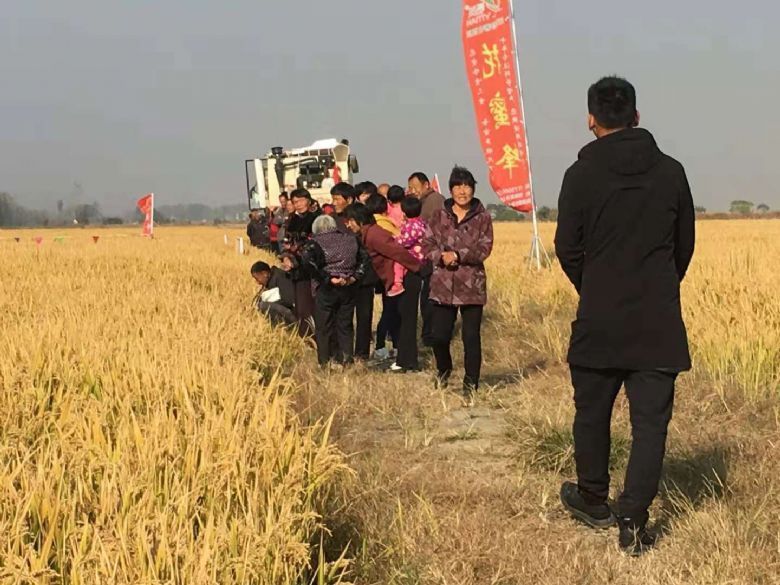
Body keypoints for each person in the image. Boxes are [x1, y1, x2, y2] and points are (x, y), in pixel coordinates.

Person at [554, 76, 695, 556]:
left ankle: (594, 500)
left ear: (590, 119)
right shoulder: (672, 172)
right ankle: (633, 518)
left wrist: (594, 287)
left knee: (592, 413)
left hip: (599, 318)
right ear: (636, 116)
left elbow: (567, 247)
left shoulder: (579, 175)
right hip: (658, 321)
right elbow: (684, 246)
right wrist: (658, 288)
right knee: (650, 425)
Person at [422, 166, 493, 405]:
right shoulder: (438, 216)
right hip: (443, 284)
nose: (463, 191)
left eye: (467, 186)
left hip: (471, 285)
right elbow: (427, 243)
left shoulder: (483, 217)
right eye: (458, 187)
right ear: (451, 190)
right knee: (439, 336)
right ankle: (444, 369)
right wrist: (441, 256)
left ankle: (471, 383)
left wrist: (459, 255)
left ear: (473, 189)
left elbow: (485, 248)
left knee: (471, 337)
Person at [344, 203, 428, 361]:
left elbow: (397, 251)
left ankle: (407, 361)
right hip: (397, 277)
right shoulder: (367, 234)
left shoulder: (374, 235)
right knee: (399, 317)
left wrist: (418, 268)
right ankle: (404, 358)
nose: (348, 225)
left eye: (350, 221)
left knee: (405, 320)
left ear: (359, 220)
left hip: (406, 276)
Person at [302, 215, 369, 367]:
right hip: (348, 286)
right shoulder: (351, 239)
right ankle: (346, 359)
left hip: (326, 288)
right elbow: (364, 259)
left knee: (324, 326)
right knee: (345, 324)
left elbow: (308, 262)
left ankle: (325, 361)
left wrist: (328, 278)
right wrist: (354, 277)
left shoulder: (314, 243)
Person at [331, 182, 377, 360]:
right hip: (343, 276)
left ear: (349, 199)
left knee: (364, 316)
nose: (334, 203)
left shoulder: (361, 214)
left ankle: (362, 353)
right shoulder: (333, 220)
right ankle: (344, 353)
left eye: (337, 199)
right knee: (344, 317)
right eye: (333, 199)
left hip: (364, 276)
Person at [391, 196, 429, 373]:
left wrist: (393, 239)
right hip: (416, 270)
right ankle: (407, 358)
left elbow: (403, 241)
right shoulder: (422, 223)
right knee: (407, 317)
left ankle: (407, 359)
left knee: (406, 317)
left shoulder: (412, 226)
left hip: (411, 271)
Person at [408, 171, 445, 346]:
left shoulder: (435, 200)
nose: (412, 191)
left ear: (426, 185)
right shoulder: (422, 201)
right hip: (427, 256)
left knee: (429, 297)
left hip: (434, 256)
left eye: (415, 187)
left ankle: (430, 335)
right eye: (410, 188)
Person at [365, 194, 402, 357]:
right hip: (390, 274)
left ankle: (392, 344)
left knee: (390, 310)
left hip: (379, 274)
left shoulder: (371, 225)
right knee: (391, 311)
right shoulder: (384, 225)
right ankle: (382, 344)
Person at [285, 189, 321, 336]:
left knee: (311, 304)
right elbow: (287, 242)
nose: (298, 204)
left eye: (300, 201)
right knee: (300, 306)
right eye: (295, 202)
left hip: (312, 268)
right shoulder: (292, 220)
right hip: (296, 269)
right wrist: (287, 257)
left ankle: (316, 336)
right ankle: (306, 336)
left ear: (308, 200)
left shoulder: (317, 218)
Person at [250, 260, 296, 326]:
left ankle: (283, 326)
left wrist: (271, 302)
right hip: (285, 311)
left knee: (263, 305)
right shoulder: (269, 281)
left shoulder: (281, 277)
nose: (258, 282)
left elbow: (289, 300)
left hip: (293, 313)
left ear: (264, 274)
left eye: (257, 279)